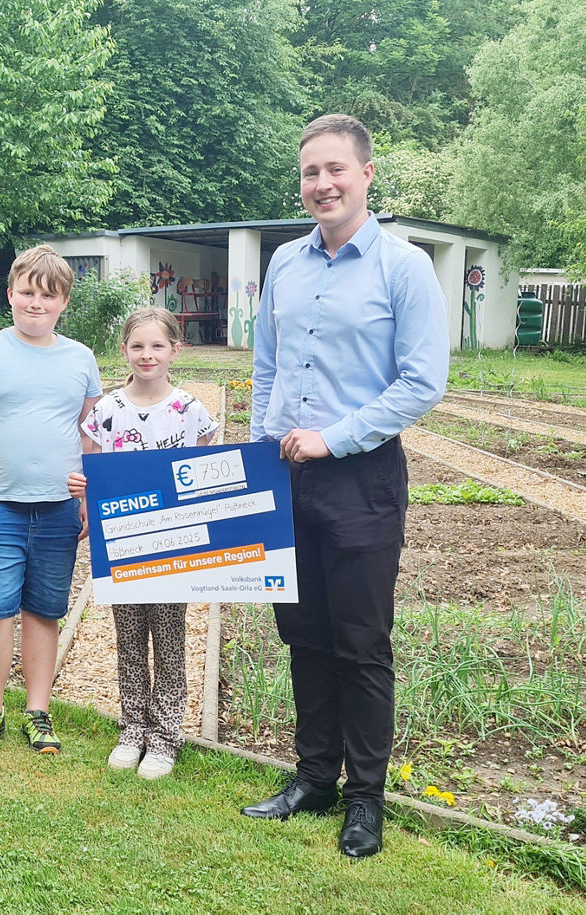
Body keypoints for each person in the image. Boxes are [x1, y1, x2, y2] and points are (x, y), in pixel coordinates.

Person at [239, 115, 449, 857]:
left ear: (366, 174)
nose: (321, 184)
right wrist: (265, 444)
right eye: (309, 173)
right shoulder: (287, 265)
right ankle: (313, 779)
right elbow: (265, 365)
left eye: (335, 170)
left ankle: (366, 800)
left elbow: (423, 380)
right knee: (303, 636)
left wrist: (335, 435)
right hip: (287, 477)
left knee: (361, 643)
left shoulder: (404, 266)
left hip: (361, 478)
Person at [0, 244, 102, 755]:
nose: (36, 303)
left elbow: (92, 434)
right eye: (28, 293)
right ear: (10, 293)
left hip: (59, 507)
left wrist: (89, 498)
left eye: (48, 296)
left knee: (44, 610)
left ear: (64, 302)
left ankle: (38, 711)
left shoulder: (80, 359)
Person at [67, 308, 216, 778]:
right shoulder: (107, 410)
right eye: (137, 346)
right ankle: (132, 727)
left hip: (174, 545)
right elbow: (91, 468)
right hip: (122, 543)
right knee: (128, 637)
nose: (147, 355)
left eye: (157, 346)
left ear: (176, 349)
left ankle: (166, 737)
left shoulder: (191, 411)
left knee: (170, 638)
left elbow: (209, 473)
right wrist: (83, 490)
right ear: (124, 350)